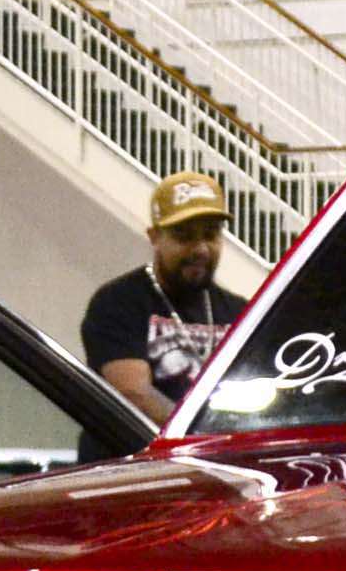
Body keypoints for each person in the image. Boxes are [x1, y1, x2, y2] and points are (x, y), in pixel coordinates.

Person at [82, 171, 249, 456]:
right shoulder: (119, 302)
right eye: (184, 237)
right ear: (155, 236)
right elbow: (134, 394)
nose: (201, 249)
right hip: (133, 474)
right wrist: (206, 440)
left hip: (210, 473)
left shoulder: (238, 311)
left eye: (210, 235)